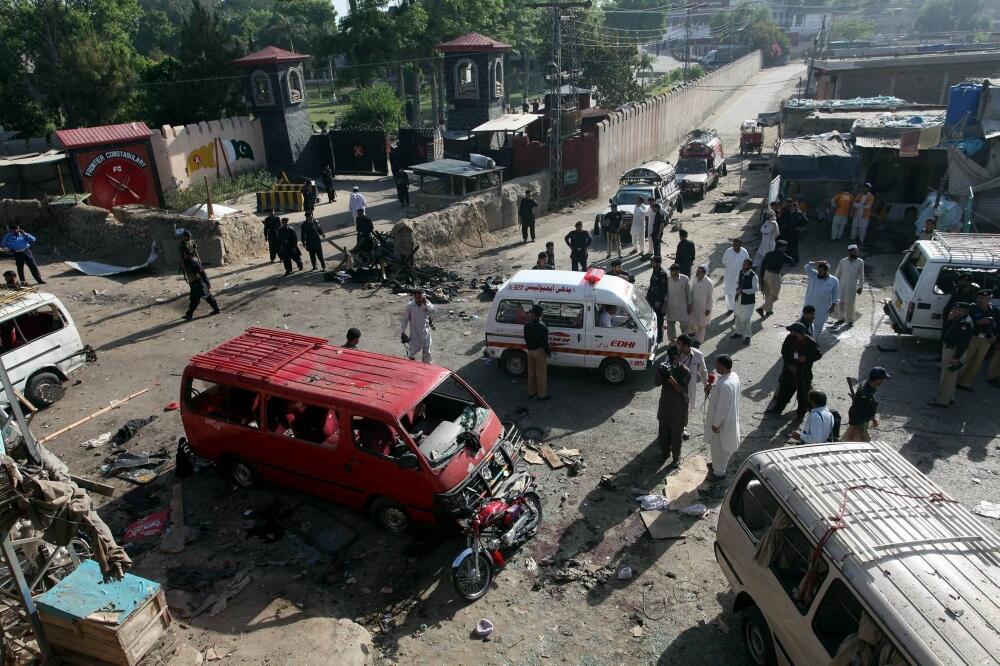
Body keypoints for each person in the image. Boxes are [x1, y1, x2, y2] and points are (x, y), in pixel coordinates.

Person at [766, 322, 822, 418]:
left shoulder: (811, 342)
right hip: (790, 372)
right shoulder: (789, 339)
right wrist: (789, 365)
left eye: (792, 331)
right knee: (784, 392)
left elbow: (818, 355)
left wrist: (806, 358)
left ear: (797, 333)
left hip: (804, 373)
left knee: (802, 396)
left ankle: (800, 415)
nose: (790, 332)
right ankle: (777, 410)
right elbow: (784, 352)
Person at [928, 302, 973, 408]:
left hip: (953, 351)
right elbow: (947, 330)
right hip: (949, 349)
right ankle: (949, 397)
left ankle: (942, 400)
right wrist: (949, 319)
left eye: (955, 309)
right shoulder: (957, 319)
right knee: (951, 377)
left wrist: (957, 357)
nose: (953, 311)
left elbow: (963, 343)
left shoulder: (964, 323)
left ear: (962, 311)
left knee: (947, 377)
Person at [705, 354, 741, 482]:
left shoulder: (725, 385)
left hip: (722, 423)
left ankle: (719, 473)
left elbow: (722, 408)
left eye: (716, 364)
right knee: (718, 448)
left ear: (722, 366)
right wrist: (713, 388)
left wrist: (716, 423)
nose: (715, 366)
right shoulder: (733, 376)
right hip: (728, 419)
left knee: (720, 448)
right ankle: (716, 465)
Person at [655, 346, 691, 465]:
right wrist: (661, 372)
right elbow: (656, 383)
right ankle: (664, 454)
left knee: (676, 436)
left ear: (680, 357)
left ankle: (676, 458)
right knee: (663, 435)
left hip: (678, 408)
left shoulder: (685, 371)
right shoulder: (665, 367)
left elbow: (681, 390)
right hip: (665, 406)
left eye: (675, 358)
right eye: (671, 358)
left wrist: (671, 378)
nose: (673, 360)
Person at [957, 289, 1000, 389]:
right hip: (973, 337)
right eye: (981, 298)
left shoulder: (995, 310)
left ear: (990, 298)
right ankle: (955, 379)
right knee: (964, 359)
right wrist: (978, 322)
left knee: (977, 362)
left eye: (986, 298)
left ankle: (965, 382)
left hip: (986, 339)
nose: (983, 300)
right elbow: (962, 321)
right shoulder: (972, 308)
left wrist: (996, 336)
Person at [180, 232, 220, 320]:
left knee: (196, 298)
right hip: (195, 282)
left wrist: (207, 283)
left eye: (184, 253)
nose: (183, 255)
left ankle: (189, 314)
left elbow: (202, 272)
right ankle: (216, 309)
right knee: (205, 296)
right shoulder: (188, 261)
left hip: (198, 282)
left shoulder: (193, 262)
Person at [843, 367, 889, 441]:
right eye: (882, 379)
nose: (883, 381)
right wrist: (854, 427)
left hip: (864, 419)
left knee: (854, 439)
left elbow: (869, 406)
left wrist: (873, 419)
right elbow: (856, 411)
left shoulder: (868, 385)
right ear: (878, 379)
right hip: (860, 421)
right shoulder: (864, 394)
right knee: (854, 439)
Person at [677, 334, 707, 438]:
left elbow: (703, 371)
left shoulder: (698, 355)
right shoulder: (674, 353)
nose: (677, 346)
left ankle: (682, 428)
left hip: (689, 386)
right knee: (674, 406)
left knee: (687, 407)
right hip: (675, 384)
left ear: (686, 346)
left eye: (679, 344)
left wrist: (706, 384)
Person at [757, 240, 794, 319]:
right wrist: (783, 254)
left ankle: (769, 310)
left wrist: (761, 279)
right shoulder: (781, 255)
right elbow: (791, 261)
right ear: (781, 248)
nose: (785, 249)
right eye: (784, 248)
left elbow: (762, 266)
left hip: (766, 274)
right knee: (774, 296)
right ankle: (761, 309)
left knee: (768, 293)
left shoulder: (768, 254)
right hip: (775, 275)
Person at [803, 260, 840, 335]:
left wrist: (833, 306)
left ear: (826, 271)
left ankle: (814, 342)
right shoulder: (813, 275)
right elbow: (806, 267)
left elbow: (835, 295)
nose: (819, 272)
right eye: (818, 270)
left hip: (822, 307)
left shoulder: (834, 280)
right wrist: (817, 262)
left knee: (818, 326)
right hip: (809, 304)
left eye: (821, 271)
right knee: (805, 324)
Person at [833, 245, 865, 328]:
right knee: (841, 303)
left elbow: (861, 275)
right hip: (842, 286)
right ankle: (841, 318)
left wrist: (860, 287)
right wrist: (833, 284)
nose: (856, 253)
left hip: (852, 287)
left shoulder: (860, 262)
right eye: (854, 252)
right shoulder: (843, 261)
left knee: (851, 304)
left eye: (857, 252)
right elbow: (837, 273)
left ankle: (850, 320)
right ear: (850, 252)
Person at [400, 289, 436, 363]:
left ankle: (427, 367)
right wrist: (403, 332)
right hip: (415, 333)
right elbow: (405, 319)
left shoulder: (426, 303)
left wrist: (426, 304)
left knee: (427, 352)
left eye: (421, 297)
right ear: (414, 297)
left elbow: (434, 311)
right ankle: (410, 363)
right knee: (414, 350)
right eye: (418, 298)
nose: (420, 299)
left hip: (426, 331)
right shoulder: (410, 306)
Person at [524, 305, 551, 400]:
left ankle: (531, 392)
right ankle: (542, 395)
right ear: (541, 315)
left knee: (531, 373)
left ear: (532, 314)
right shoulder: (543, 327)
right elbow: (545, 343)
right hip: (540, 352)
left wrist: (530, 348)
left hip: (530, 351)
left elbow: (526, 339)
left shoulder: (527, 325)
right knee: (541, 374)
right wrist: (548, 353)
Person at [731, 259, 758, 345]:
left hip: (748, 301)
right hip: (739, 298)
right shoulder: (741, 272)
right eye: (744, 264)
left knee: (747, 318)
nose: (744, 266)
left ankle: (747, 336)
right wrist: (737, 288)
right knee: (738, 315)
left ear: (749, 266)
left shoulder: (753, 276)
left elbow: (756, 289)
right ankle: (738, 332)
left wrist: (744, 290)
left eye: (746, 264)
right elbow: (737, 282)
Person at [721, 238, 749, 315]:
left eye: (736, 245)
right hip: (729, 276)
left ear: (740, 245)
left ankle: (736, 312)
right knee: (729, 293)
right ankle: (730, 308)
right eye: (733, 244)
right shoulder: (728, 251)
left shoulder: (744, 252)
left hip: (740, 276)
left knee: (738, 294)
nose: (734, 246)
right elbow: (723, 261)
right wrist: (730, 267)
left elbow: (747, 262)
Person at [688, 264, 714, 343]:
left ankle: (699, 341)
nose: (697, 273)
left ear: (704, 273)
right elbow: (690, 290)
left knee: (701, 325)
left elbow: (710, 297)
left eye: (699, 271)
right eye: (697, 271)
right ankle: (692, 332)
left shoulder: (709, 283)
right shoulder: (693, 278)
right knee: (690, 320)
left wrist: (708, 309)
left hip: (703, 307)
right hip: (693, 305)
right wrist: (689, 303)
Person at [646, 257, 669, 344]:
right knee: (651, 317)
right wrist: (647, 296)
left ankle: (660, 336)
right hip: (652, 298)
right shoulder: (655, 271)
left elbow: (663, 289)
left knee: (659, 318)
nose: (652, 264)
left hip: (658, 301)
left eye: (654, 263)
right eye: (652, 262)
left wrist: (659, 301)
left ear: (659, 263)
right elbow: (652, 285)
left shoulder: (662, 273)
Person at [666, 263, 690, 342]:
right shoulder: (668, 279)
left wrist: (689, 305)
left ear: (678, 271)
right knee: (670, 325)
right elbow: (665, 293)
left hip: (682, 307)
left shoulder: (685, 279)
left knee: (685, 325)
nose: (671, 272)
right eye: (671, 271)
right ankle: (672, 340)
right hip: (670, 306)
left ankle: (684, 340)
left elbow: (689, 293)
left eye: (673, 271)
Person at [778, 200, 807, 265]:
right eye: (790, 206)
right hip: (787, 233)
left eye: (792, 206)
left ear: (795, 207)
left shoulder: (798, 214)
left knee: (793, 248)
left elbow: (805, 221)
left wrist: (800, 228)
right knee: (787, 247)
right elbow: (783, 219)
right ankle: (788, 260)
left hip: (794, 234)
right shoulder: (788, 213)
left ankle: (795, 261)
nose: (791, 207)